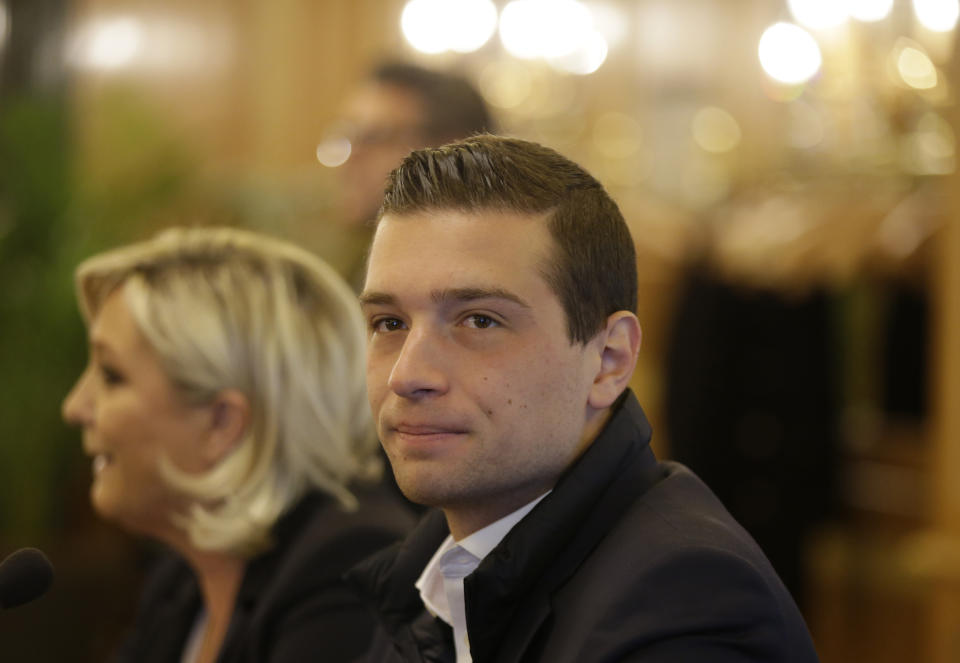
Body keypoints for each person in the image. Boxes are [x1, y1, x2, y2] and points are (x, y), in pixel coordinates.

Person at [346, 135, 821, 662]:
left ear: (610, 360)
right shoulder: (433, 574)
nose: (408, 374)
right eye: (388, 323)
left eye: (480, 320)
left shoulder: (684, 606)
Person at [61, 227, 414, 663]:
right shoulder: (183, 577)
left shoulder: (347, 570)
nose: (75, 407)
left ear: (221, 423)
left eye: (111, 376)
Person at [321, 61, 495, 288]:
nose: (350, 158)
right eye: (348, 137)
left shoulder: (478, 280)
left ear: (449, 151)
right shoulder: (358, 261)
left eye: (373, 138)